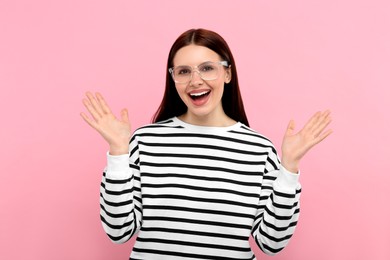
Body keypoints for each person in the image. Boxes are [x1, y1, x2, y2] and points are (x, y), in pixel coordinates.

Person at [81, 28, 332, 259]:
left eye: (207, 68)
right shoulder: (144, 141)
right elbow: (118, 231)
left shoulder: (259, 150)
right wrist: (117, 154)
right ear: (173, 79)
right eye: (183, 71)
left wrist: (288, 170)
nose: (195, 80)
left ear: (227, 73)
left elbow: (272, 243)